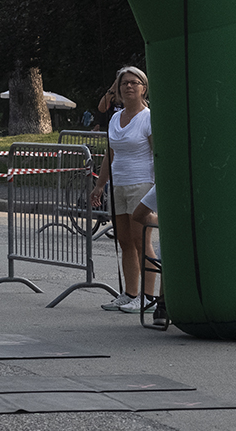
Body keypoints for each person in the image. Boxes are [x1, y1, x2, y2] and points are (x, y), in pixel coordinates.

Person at [89, 66, 156, 314]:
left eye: (134, 82)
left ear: (143, 88)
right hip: (119, 184)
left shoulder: (148, 118)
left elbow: (156, 152)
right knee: (125, 240)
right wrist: (99, 185)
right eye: (124, 83)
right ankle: (130, 293)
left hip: (142, 184)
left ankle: (148, 297)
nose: (129, 87)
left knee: (141, 240)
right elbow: (111, 153)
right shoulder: (116, 118)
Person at [125, 185, 167, 325]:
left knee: (168, 264)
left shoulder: (166, 181)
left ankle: (162, 306)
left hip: (173, 251)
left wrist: (163, 222)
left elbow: (139, 214)